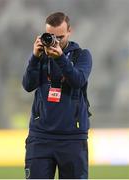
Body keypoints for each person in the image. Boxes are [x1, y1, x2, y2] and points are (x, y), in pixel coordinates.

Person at [22, 12, 92, 179]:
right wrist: (34, 57)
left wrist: (61, 58)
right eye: (51, 36)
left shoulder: (81, 55)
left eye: (60, 37)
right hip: (40, 137)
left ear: (69, 31)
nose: (56, 41)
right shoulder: (40, 56)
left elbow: (78, 81)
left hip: (72, 138)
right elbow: (28, 85)